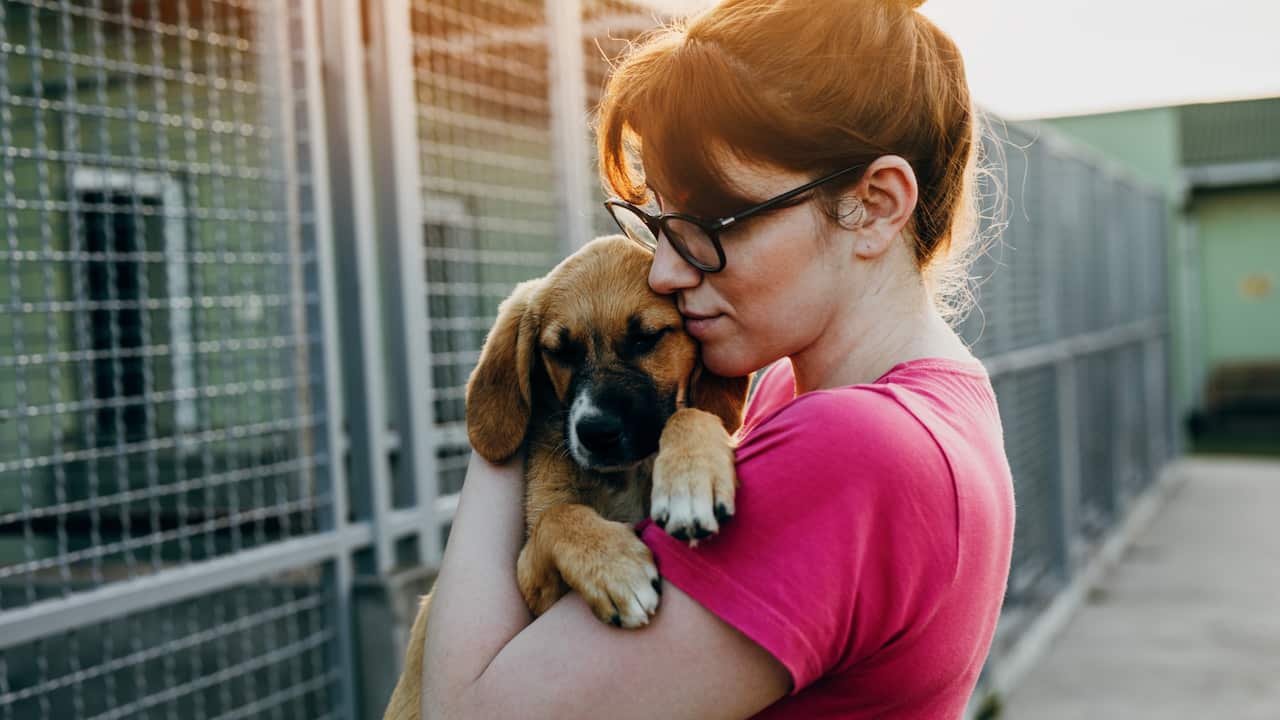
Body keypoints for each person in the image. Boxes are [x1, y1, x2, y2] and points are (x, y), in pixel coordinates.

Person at [420, 0, 1015, 717]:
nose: (665, 272)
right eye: (658, 223)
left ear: (875, 205)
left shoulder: (851, 450)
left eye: (710, 221)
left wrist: (514, 408)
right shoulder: (852, 400)